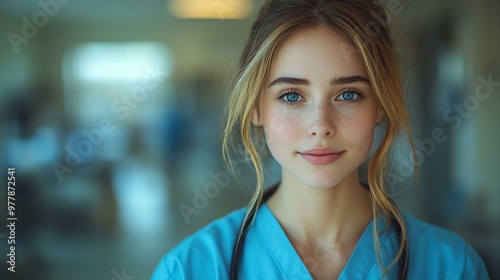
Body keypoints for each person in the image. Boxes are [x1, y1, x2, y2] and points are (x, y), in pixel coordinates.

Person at [152, 0, 490, 279]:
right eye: (291, 96)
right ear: (256, 108)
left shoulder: (452, 266)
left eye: (348, 94)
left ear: (380, 106)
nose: (320, 126)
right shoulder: (189, 269)